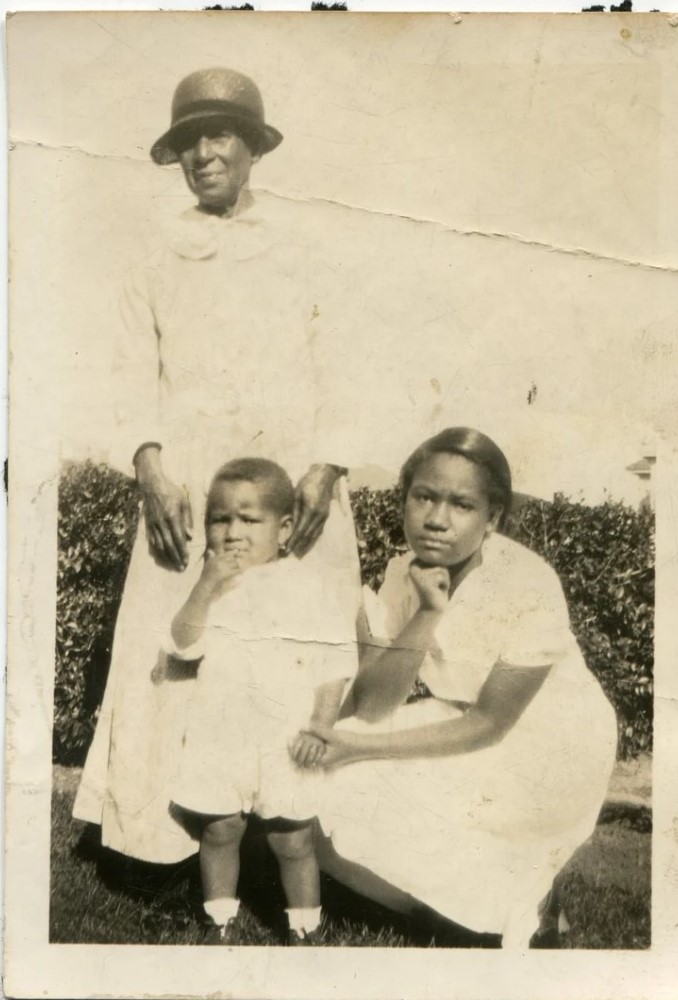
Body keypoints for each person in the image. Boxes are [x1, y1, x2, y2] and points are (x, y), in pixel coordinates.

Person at [73, 68, 358, 864]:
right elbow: (131, 367)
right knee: (181, 643)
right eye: (191, 139)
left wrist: (324, 468)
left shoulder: (303, 249)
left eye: (221, 134)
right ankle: (160, 840)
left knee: (292, 644)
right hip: (192, 479)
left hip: (288, 477)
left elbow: (341, 363)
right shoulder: (154, 252)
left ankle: (302, 848)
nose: (205, 153)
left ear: (253, 148)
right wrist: (149, 467)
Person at [311, 427, 618, 949]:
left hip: (550, 744)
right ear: (404, 499)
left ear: (491, 518)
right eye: (423, 497)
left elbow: (491, 724)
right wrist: (427, 613)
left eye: (462, 505)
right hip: (458, 716)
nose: (436, 519)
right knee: (319, 789)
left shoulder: (527, 582)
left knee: (359, 778)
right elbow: (375, 704)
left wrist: (358, 748)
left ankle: (509, 901)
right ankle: (480, 901)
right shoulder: (401, 571)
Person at [167, 458, 352, 945]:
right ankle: (220, 921)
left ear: (285, 527)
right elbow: (184, 643)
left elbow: (335, 663)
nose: (232, 533)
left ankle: (305, 929)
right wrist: (204, 587)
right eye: (220, 519)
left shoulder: (308, 586)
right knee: (220, 828)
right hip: (221, 727)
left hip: (286, 735)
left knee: (291, 837)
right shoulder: (211, 582)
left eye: (249, 520)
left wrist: (320, 726)